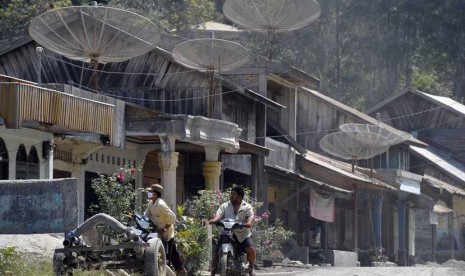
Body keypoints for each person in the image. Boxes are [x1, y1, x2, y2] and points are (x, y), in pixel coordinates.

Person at [209, 186, 256, 276]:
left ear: (239, 197)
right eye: (231, 194)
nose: (231, 196)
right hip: (226, 232)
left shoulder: (247, 207)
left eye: (233, 194)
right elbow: (219, 214)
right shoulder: (225, 205)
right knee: (216, 253)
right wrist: (214, 220)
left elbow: (251, 216)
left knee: (251, 250)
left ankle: (251, 269)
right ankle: (213, 272)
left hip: (243, 234)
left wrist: (249, 222)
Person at [144, 183, 186, 275]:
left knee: (170, 252)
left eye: (150, 192)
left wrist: (165, 228)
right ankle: (177, 269)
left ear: (155, 194)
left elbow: (173, 217)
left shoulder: (161, 205)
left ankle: (178, 269)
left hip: (167, 232)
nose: (148, 193)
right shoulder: (151, 204)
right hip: (158, 231)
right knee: (162, 251)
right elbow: (146, 216)